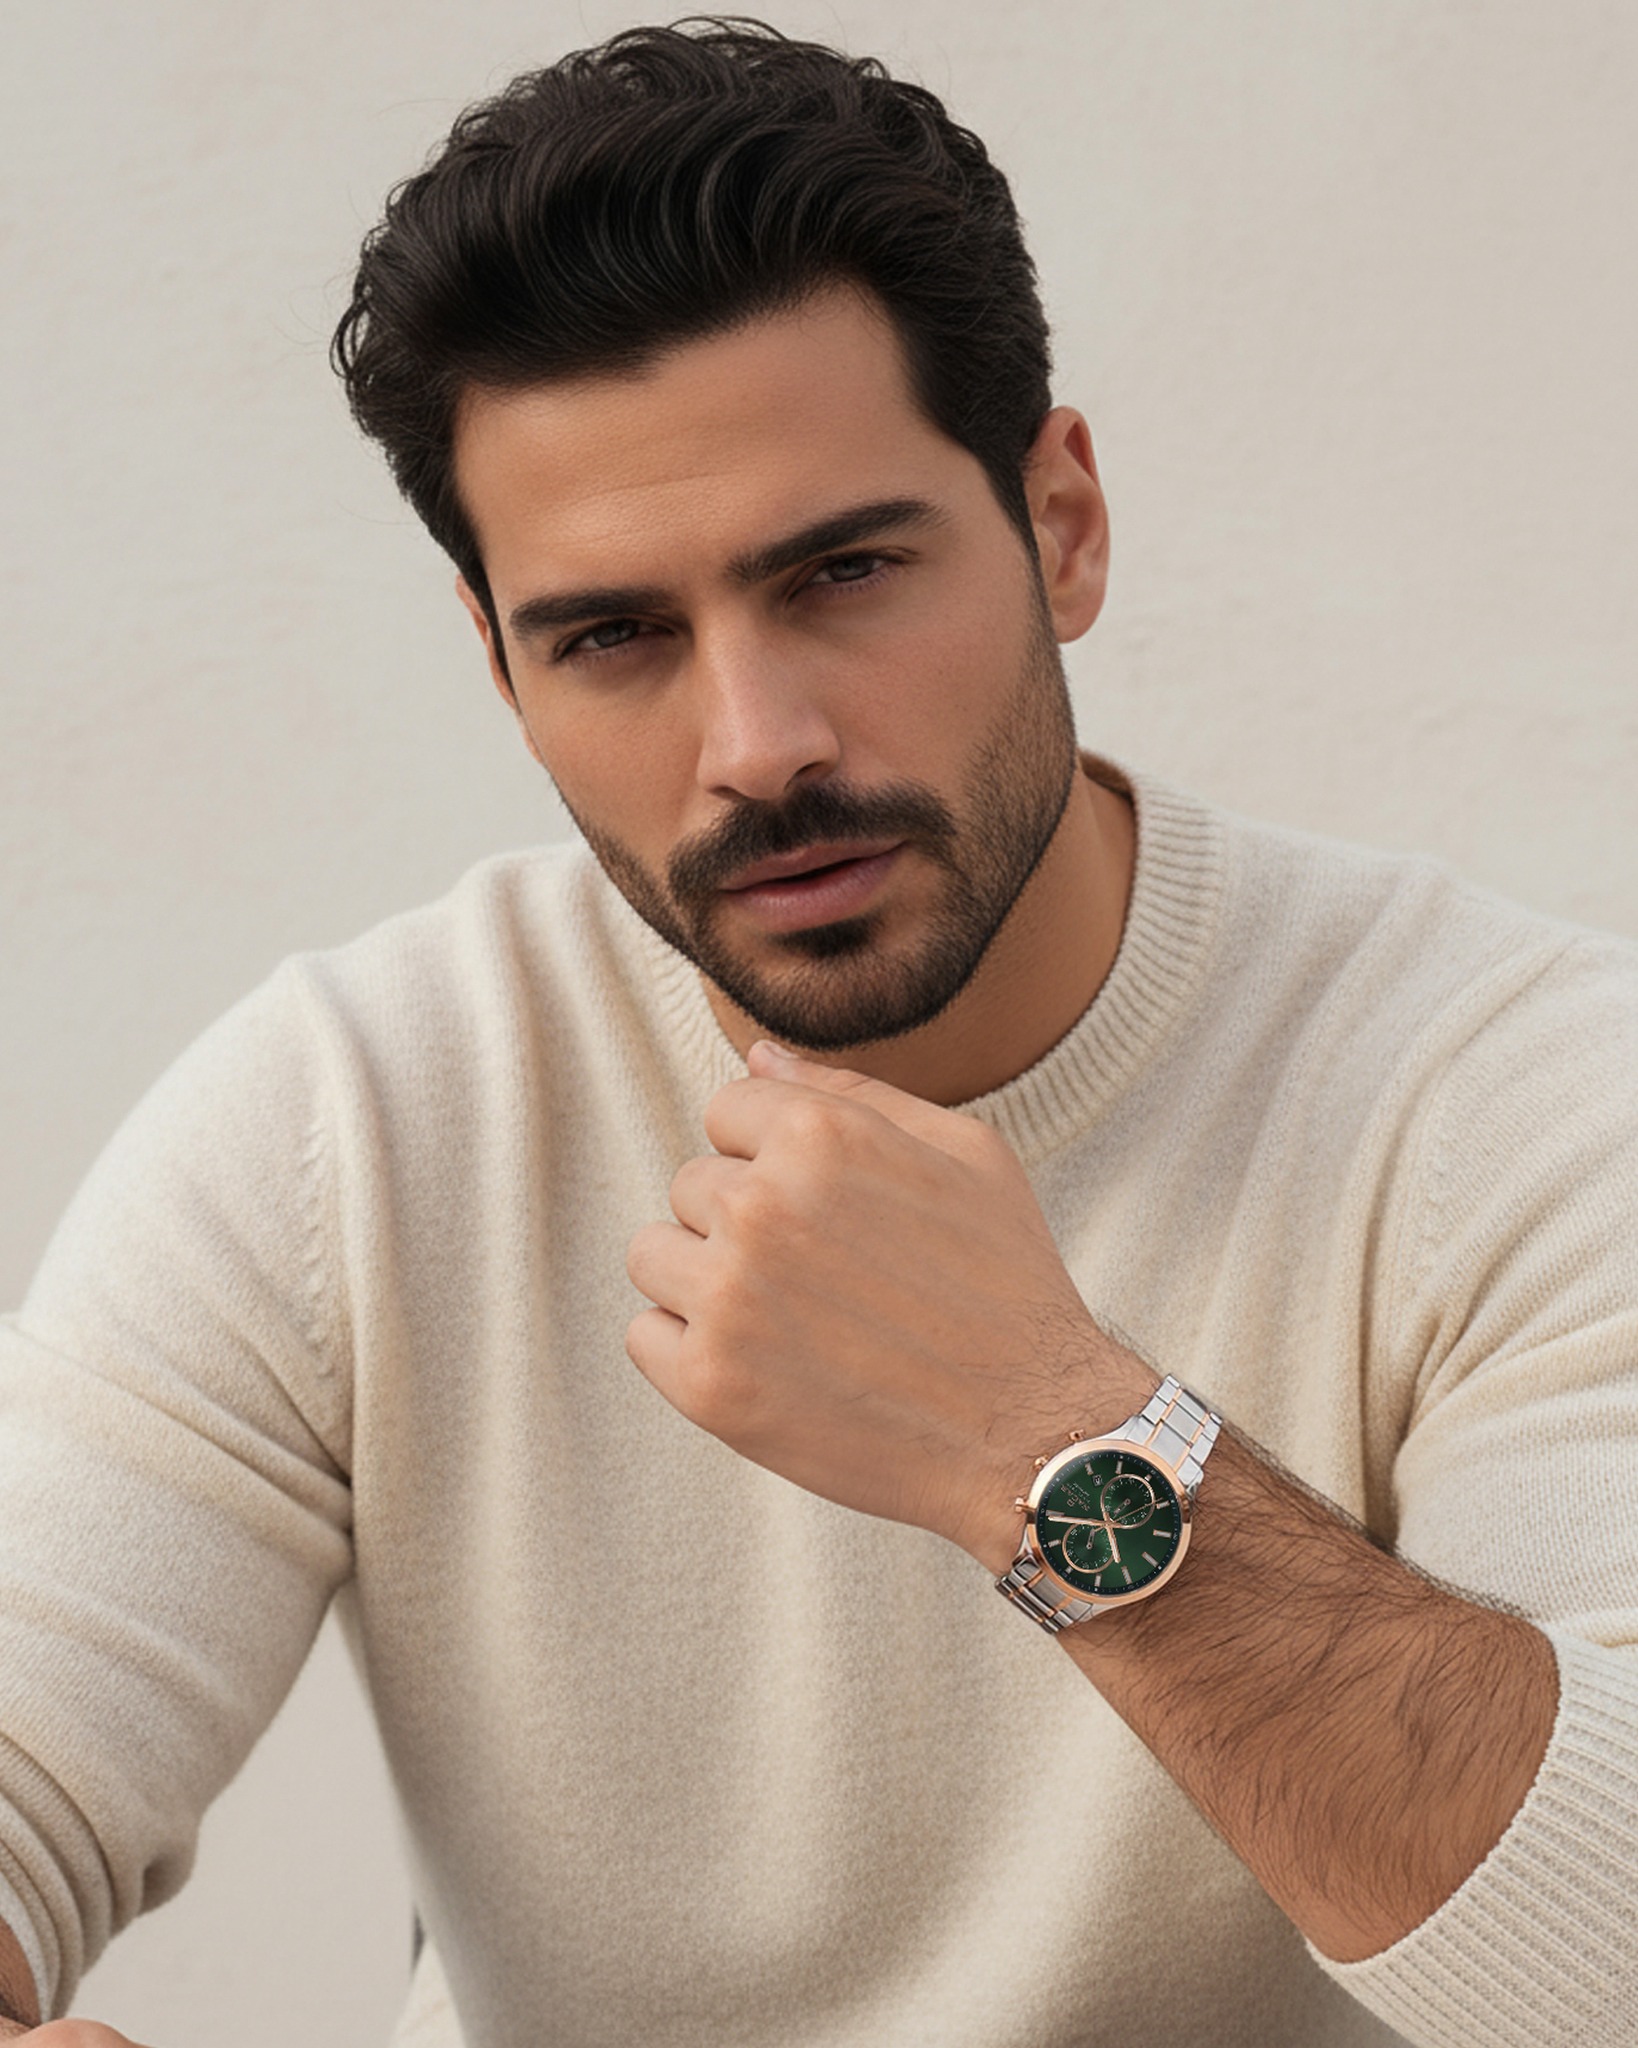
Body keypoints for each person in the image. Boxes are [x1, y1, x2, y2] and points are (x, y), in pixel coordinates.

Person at [0, 18, 1634, 2047]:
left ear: (1060, 526)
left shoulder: (1512, 1097)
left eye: (844, 572)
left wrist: (1044, 1432)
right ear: (501, 668)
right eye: (614, 635)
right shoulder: (357, 1117)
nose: (758, 745)